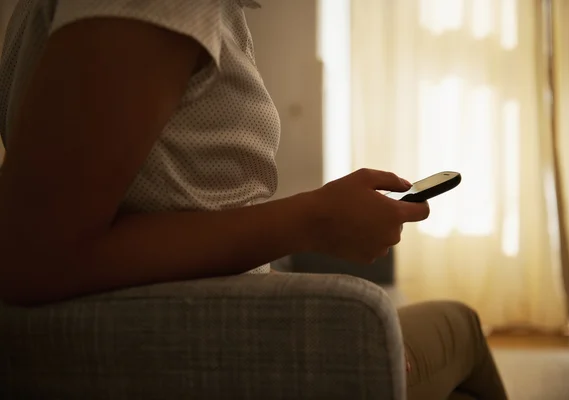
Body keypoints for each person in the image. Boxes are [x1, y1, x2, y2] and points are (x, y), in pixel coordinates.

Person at [0, 1, 508, 399]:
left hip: (208, 325)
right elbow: (38, 254)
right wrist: (314, 219)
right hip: (201, 343)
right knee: (460, 325)